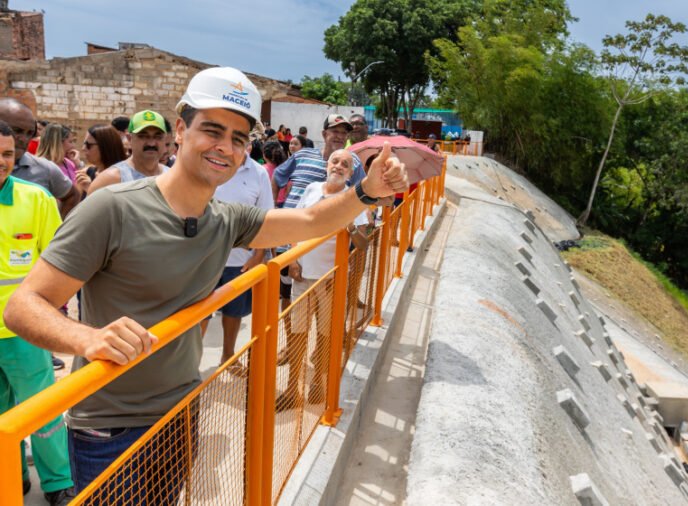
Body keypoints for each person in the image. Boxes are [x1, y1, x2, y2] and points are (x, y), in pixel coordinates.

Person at [4, 66, 407, 495]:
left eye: (238, 138)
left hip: (181, 413)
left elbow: (310, 221)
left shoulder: (225, 220)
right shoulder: (112, 209)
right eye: (212, 131)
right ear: (180, 130)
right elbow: (23, 306)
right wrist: (87, 338)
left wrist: (368, 191)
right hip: (111, 430)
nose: (225, 147)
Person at [0, 120, 75, 505]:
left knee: (42, 411)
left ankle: (58, 482)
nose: (1, 161)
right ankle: (10, 478)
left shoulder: (36, 200)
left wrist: (50, 320)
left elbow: (59, 263)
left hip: (23, 333)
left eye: (7, 154)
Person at [280, 149, 370, 409]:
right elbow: (295, 224)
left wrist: (350, 226)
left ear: (350, 173)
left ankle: (318, 381)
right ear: (327, 165)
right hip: (302, 276)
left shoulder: (353, 199)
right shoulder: (311, 189)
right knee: (298, 333)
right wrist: (293, 260)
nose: (339, 166)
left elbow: (363, 244)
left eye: (345, 164)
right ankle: (292, 389)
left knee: (324, 334)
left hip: (331, 280)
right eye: (335, 161)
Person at [200, 143, 273, 368]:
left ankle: (228, 357)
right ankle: (191, 365)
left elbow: (266, 215)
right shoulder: (209, 163)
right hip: (205, 258)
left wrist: (258, 255)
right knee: (199, 314)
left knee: (234, 311)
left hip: (241, 261)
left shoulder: (258, 173)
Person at [0, 99, 80, 218]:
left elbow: (72, 196)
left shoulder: (45, 169)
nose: (24, 139)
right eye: (17, 131)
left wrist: (58, 226)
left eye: (30, 133)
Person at [87, 110, 169, 194]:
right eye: (143, 136)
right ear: (129, 138)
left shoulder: (172, 177)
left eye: (158, 136)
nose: (151, 143)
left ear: (165, 139)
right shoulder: (110, 180)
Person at [75, 124, 127, 195]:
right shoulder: (87, 173)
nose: (83, 148)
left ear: (105, 146)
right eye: (84, 143)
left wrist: (90, 189)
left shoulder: (122, 178)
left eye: (88, 145)